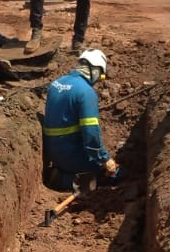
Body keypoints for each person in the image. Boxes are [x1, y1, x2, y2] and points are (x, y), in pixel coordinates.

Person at [41, 48, 119, 191]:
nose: (98, 81)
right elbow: (91, 135)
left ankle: (63, 178)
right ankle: (81, 182)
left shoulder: (56, 83)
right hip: (70, 155)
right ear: (95, 70)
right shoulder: (85, 92)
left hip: (52, 152)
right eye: (100, 75)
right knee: (113, 172)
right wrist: (105, 159)